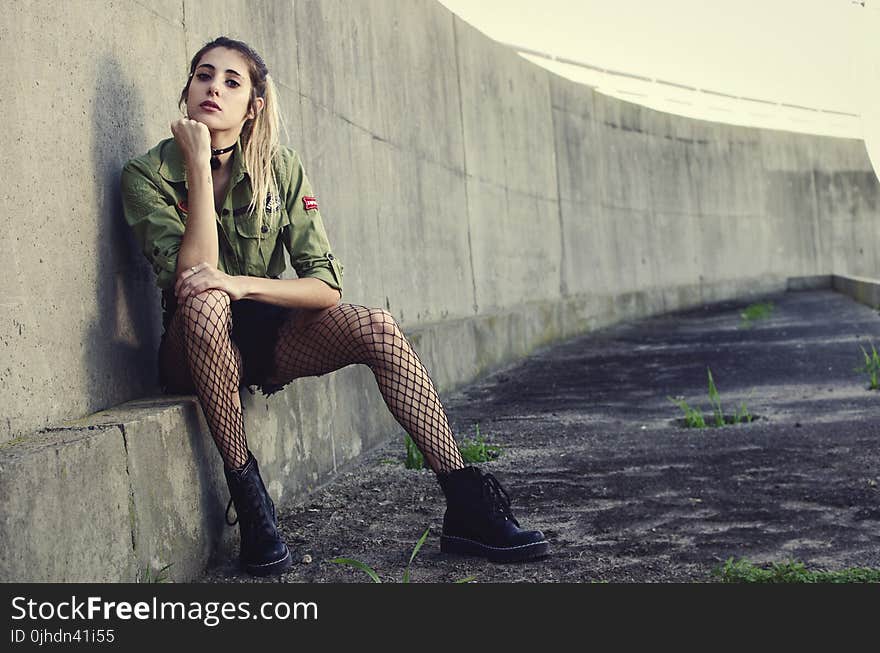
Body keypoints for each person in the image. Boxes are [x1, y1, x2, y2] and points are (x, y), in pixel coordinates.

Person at [121, 36, 549, 576]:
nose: (214, 88)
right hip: (193, 347)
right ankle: (253, 508)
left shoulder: (281, 168)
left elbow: (325, 285)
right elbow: (189, 278)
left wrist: (244, 285)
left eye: (233, 81)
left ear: (254, 105)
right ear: (187, 91)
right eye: (204, 75)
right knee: (206, 302)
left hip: (261, 333)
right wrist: (199, 169)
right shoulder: (147, 175)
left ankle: (467, 503)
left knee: (377, 325)